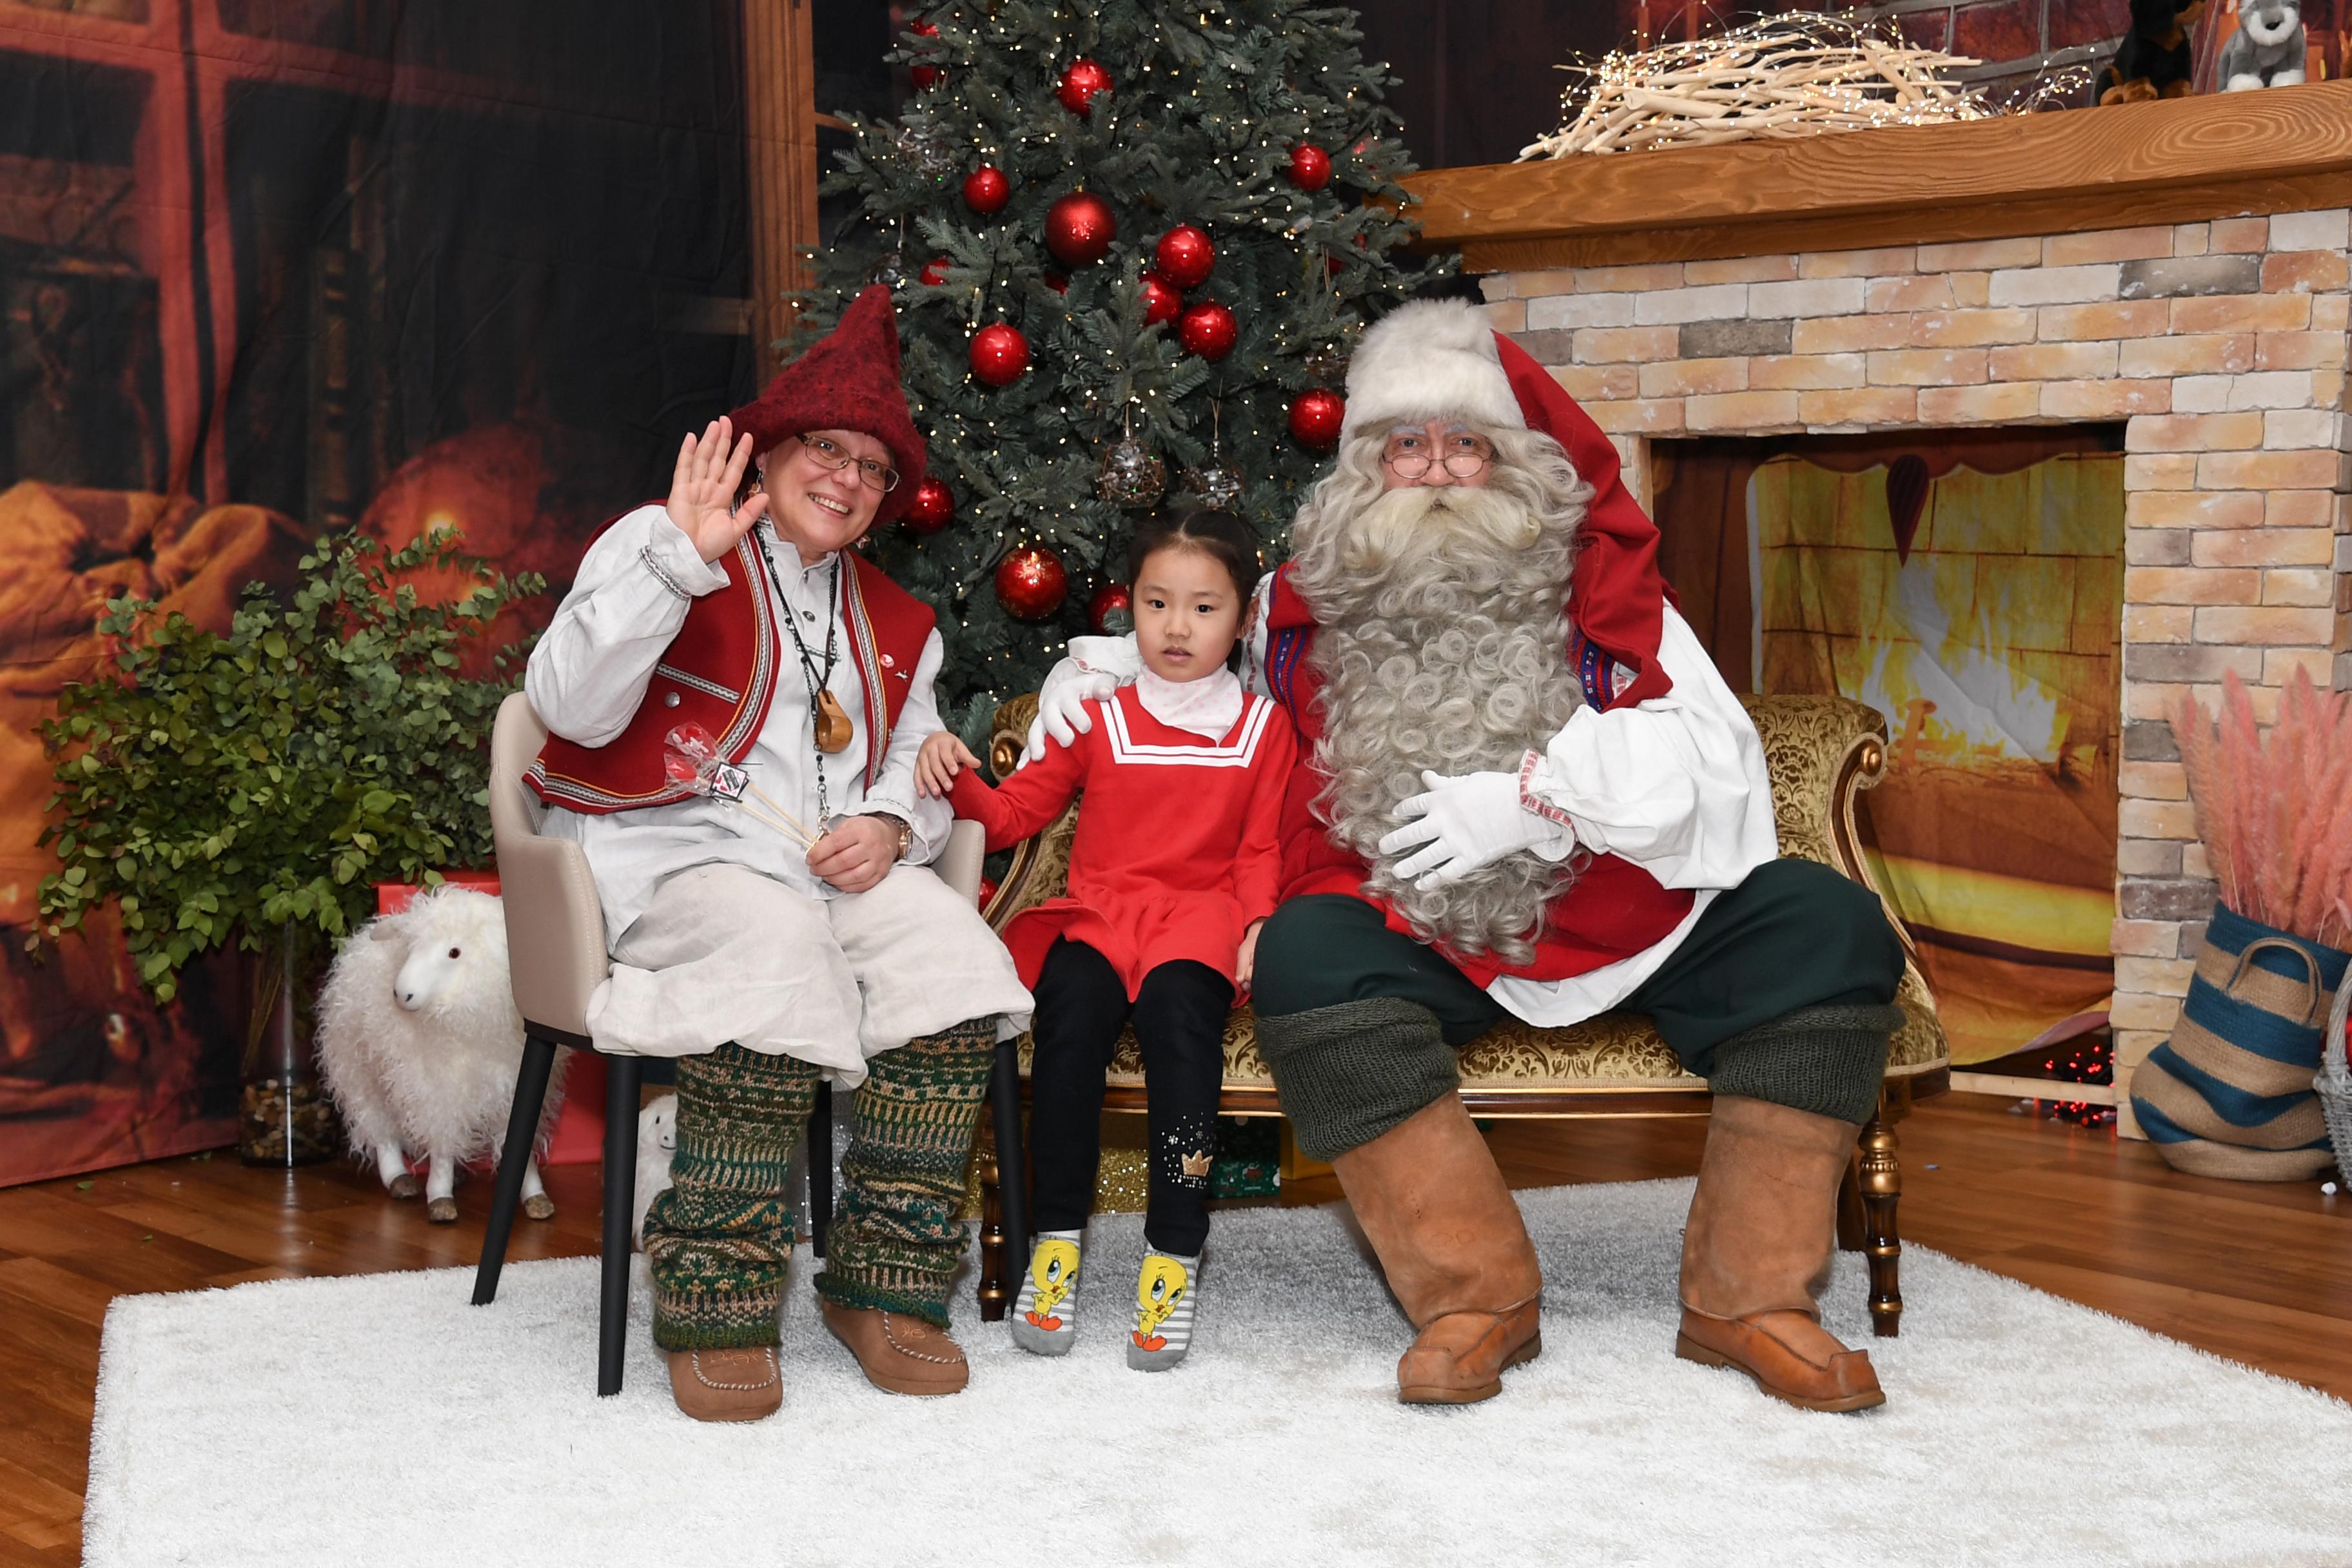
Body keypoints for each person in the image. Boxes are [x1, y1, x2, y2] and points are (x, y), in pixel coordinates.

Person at [1027, 299, 1908, 1412]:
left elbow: (1713, 765)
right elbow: (1186, 659)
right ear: (1362, 469)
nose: (1437, 469)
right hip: (1418, 928)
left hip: (1617, 911)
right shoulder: (1300, 609)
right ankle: (1473, 1295)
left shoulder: (1609, 589)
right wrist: (1094, 672)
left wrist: (1541, 800)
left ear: (1516, 464)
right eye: (1406, 444)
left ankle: (1751, 1298)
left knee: (1826, 926)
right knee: (1307, 950)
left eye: (1467, 442)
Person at [523, 287, 1032, 1421]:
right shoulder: (657, 544)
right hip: (669, 868)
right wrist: (674, 565)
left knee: (948, 955)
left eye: (872, 469)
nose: (846, 480)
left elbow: (915, 757)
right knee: (774, 946)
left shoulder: (901, 621)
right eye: (825, 450)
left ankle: (885, 1284)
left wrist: (894, 825)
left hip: (821, 875)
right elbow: (567, 706)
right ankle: (716, 1297)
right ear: (776, 449)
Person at [917, 509, 1295, 1372]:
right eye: (1158, 603)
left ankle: (1173, 1255)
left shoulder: (1263, 731)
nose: (1176, 626)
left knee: (1178, 1033)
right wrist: (955, 770)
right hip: (1100, 914)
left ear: (1241, 620)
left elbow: (1261, 849)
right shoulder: (1101, 718)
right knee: (1071, 1023)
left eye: (1204, 608)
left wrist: (1259, 925)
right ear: (1133, 609)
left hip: (1197, 921)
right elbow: (1015, 814)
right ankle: (1055, 1243)